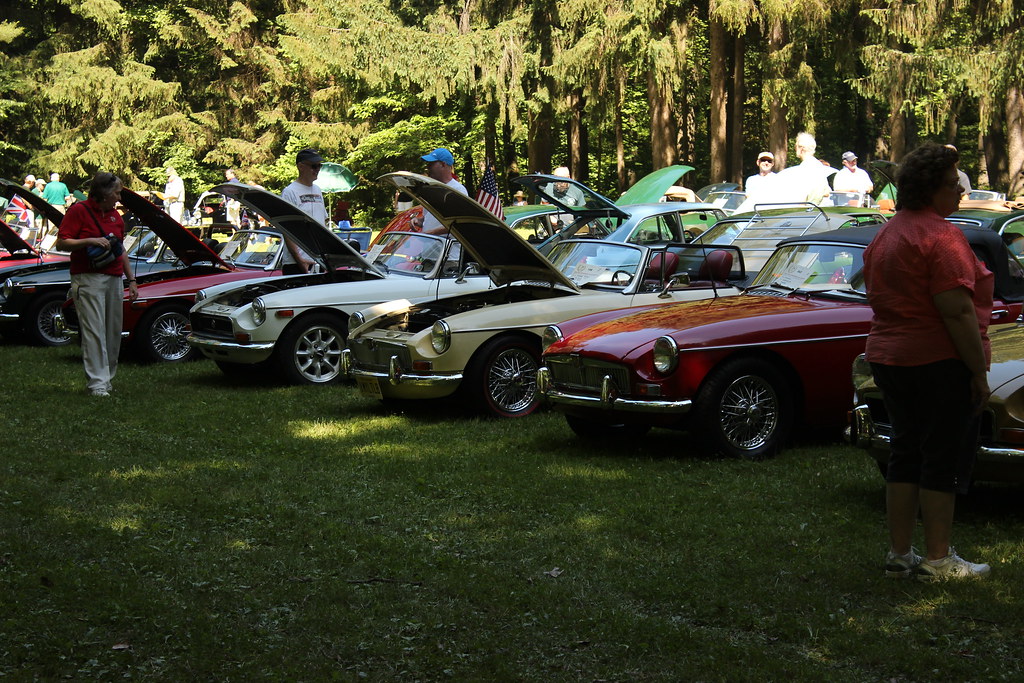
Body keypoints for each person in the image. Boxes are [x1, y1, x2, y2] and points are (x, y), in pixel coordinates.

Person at [863, 142, 991, 581]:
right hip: (936, 361)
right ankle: (938, 559)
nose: (959, 192)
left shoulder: (886, 232)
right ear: (931, 188)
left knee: (905, 453)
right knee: (941, 457)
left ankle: (901, 555)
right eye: (953, 184)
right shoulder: (942, 236)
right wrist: (977, 372)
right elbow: (956, 312)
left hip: (889, 357)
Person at [55, 172, 138, 397]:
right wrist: (89, 241)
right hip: (87, 278)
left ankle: (107, 380)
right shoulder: (78, 211)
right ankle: (97, 384)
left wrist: (131, 280)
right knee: (94, 331)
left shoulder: (116, 217)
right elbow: (62, 242)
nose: (120, 198)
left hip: (113, 278)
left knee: (112, 331)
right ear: (104, 192)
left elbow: (120, 251)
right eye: (117, 193)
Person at [280, 148, 328, 273]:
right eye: (313, 166)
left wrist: (326, 257)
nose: (317, 170)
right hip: (296, 263)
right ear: (301, 166)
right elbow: (287, 229)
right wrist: (300, 260)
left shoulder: (318, 190)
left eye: (319, 166)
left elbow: (323, 224)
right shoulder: (289, 192)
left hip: (318, 260)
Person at [412, 148, 467, 235]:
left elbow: (460, 223)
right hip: (430, 244)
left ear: (443, 164)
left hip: (448, 247)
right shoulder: (431, 189)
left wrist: (432, 233)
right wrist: (419, 221)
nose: (428, 167)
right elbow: (429, 218)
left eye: (431, 164)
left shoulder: (457, 190)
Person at [774, 132, 832, 205]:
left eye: (796, 146)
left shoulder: (808, 166)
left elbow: (814, 193)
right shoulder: (816, 165)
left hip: (812, 212)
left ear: (801, 148)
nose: (795, 149)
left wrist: (804, 208)